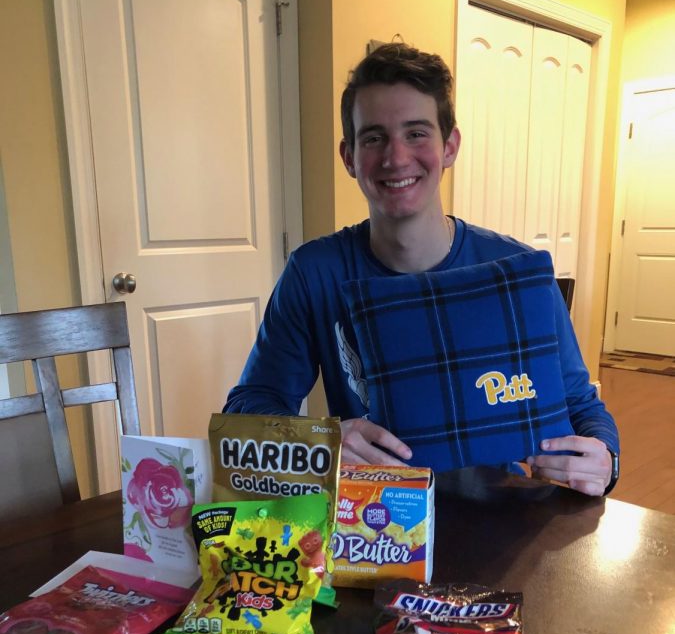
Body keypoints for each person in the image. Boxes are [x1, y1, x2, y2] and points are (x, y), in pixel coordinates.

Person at [225, 43, 619, 497]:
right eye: (373, 137)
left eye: (416, 133)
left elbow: (582, 405)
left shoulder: (517, 271)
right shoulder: (314, 273)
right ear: (349, 157)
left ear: (449, 147)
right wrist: (323, 442)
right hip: (374, 526)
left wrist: (605, 458)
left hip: (503, 520)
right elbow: (247, 411)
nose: (395, 157)